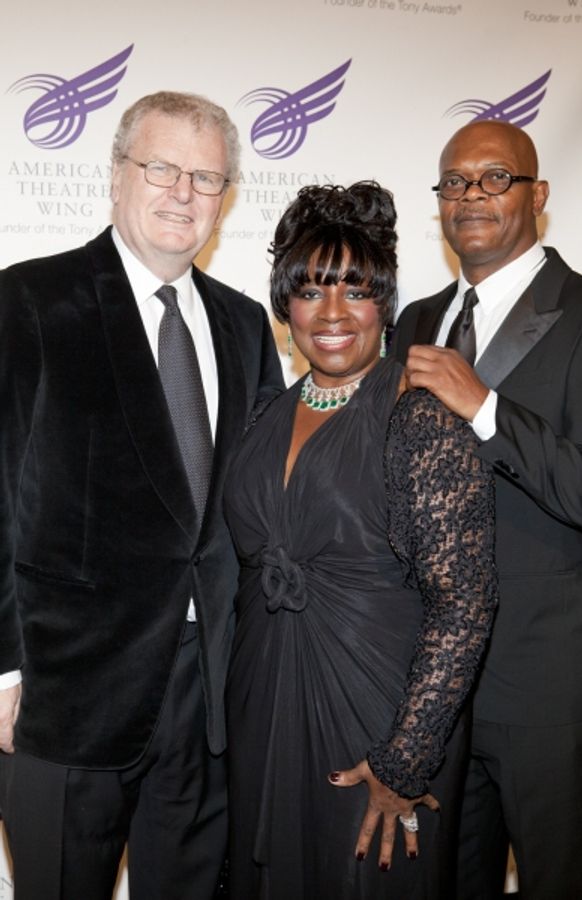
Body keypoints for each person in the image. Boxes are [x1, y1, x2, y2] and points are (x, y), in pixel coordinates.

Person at [0, 90, 283, 900]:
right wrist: (1, 671)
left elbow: (260, 506)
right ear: (118, 174)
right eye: (162, 168)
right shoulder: (29, 300)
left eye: (206, 177)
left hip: (208, 702)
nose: (183, 193)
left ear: (225, 197)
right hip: (64, 696)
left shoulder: (244, 326)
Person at [223, 181, 498, 899]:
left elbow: (465, 603)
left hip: (380, 722)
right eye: (311, 291)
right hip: (263, 706)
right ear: (285, 306)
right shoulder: (263, 415)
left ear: (385, 303)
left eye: (355, 289)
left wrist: (405, 760)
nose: (333, 312)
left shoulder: (421, 417)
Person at [393, 120, 582, 899]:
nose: (471, 195)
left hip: (548, 687)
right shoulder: (416, 321)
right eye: (454, 182)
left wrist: (487, 409)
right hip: (433, 694)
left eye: (494, 178)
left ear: (537, 195)